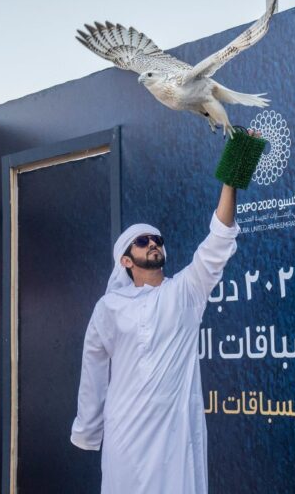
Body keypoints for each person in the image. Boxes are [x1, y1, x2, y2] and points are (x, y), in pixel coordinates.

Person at [71, 176, 241, 493]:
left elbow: (218, 241)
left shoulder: (187, 292)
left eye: (157, 240)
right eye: (142, 241)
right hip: (125, 436)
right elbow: (92, 370)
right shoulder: (109, 307)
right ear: (125, 260)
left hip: (173, 437)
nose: (152, 243)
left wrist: (231, 181)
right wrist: (88, 428)